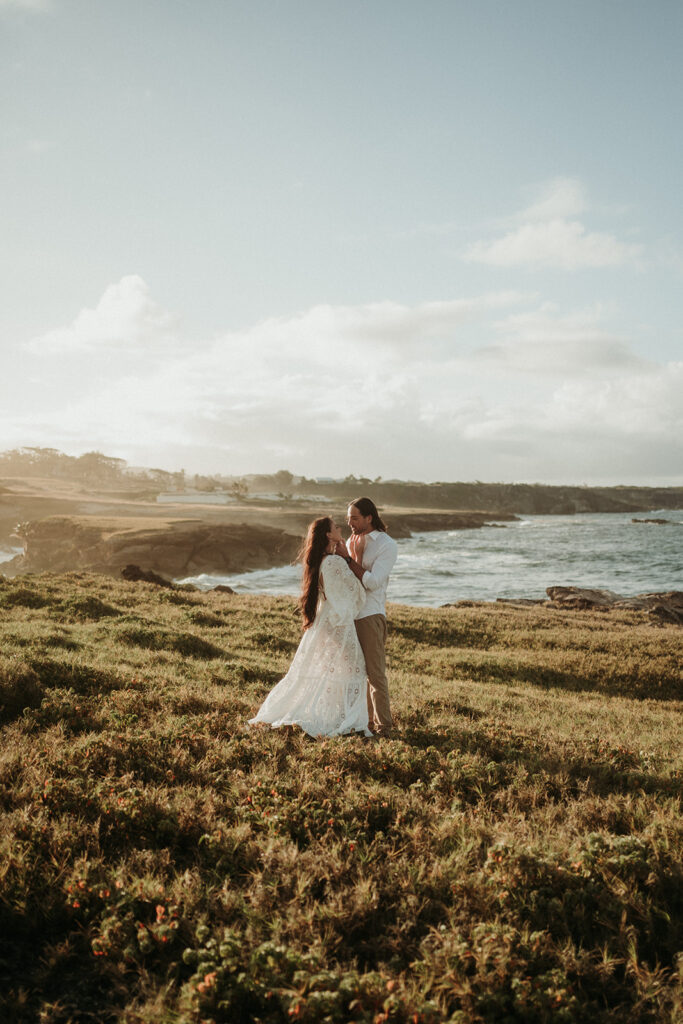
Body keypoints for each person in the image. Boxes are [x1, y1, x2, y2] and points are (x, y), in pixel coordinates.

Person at [248, 516, 371, 738]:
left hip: (327, 620)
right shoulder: (333, 562)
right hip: (338, 623)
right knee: (354, 668)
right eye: (335, 527)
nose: (340, 527)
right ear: (328, 535)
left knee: (333, 670)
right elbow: (354, 590)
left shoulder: (324, 560)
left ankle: (341, 717)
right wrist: (350, 560)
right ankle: (349, 721)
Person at [334, 497, 398, 737]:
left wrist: (350, 559)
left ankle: (385, 728)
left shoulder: (386, 544)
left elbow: (372, 582)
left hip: (370, 614)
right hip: (351, 614)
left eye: (354, 517)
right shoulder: (351, 541)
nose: (349, 522)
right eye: (348, 517)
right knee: (355, 674)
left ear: (369, 517)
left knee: (375, 674)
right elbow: (349, 580)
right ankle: (366, 723)